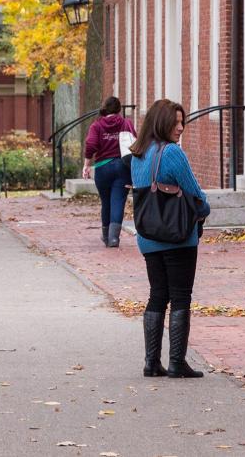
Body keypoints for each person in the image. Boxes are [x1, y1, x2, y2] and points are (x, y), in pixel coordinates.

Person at [130, 99, 211, 379]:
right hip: (177, 237)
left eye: (182, 122)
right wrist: (204, 211)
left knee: (156, 295)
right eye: (176, 122)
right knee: (180, 297)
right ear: (161, 122)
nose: (180, 128)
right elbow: (195, 193)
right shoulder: (172, 153)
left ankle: (151, 363)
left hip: (148, 237)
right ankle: (177, 362)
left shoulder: (138, 154)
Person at [83, 97, 138, 247]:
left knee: (105, 202)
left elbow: (91, 145)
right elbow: (136, 143)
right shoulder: (126, 123)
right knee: (118, 202)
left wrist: (87, 164)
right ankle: (114, 238)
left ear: (105, 109)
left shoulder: (97, 125)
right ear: (119, 109)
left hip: (102, 168)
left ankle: (106, 235)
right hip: (122, 167)